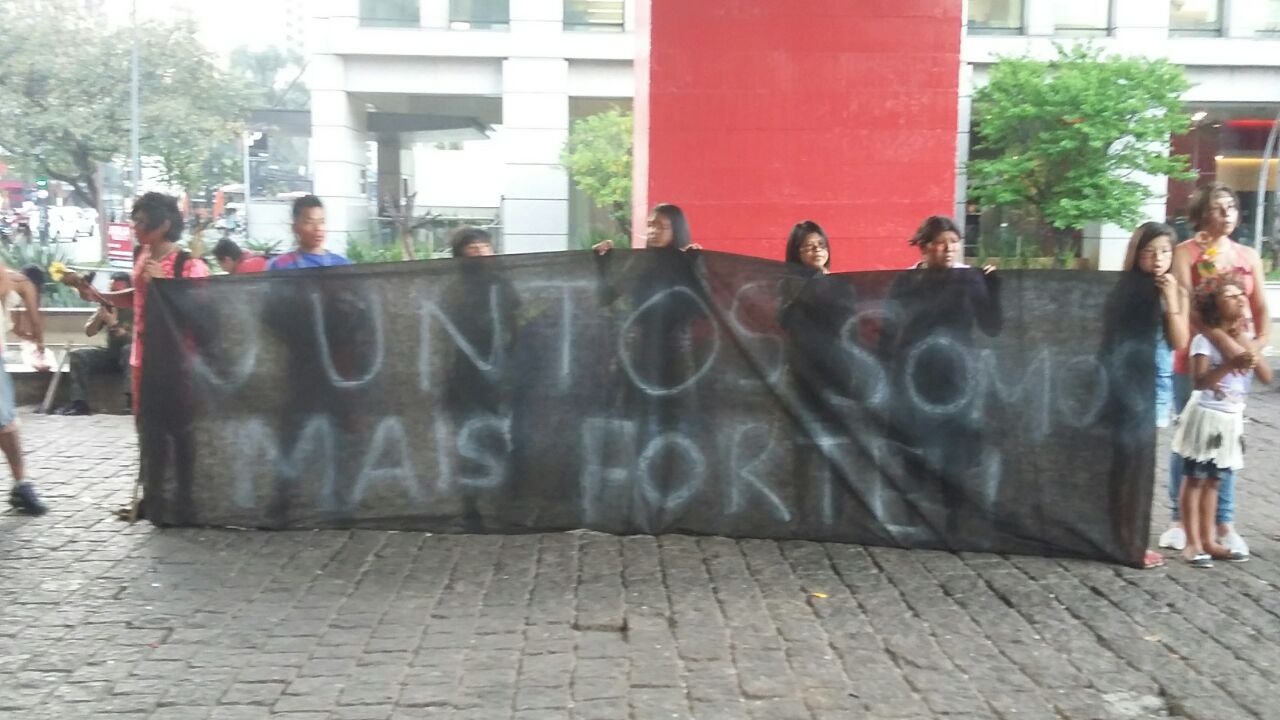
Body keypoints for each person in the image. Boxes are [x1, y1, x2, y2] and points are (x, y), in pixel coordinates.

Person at [1159, 183, 1269, 556]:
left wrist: (1253, 349)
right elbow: (1188, 304)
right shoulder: (1185, 253)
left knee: (1227, 442)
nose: (1227, 214)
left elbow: (1262, 311)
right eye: (1219, 208)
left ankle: (1223, 522)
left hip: (1239, 364)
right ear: (1201, 214)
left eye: (1233, 207)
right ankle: (1180, 520)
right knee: (1190, 439)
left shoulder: (1247, 256)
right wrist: (1225, 344)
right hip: (1198, 357)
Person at [879, 216, 1001, 547]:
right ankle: (912, 516)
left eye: (953, 242)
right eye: (940, 242)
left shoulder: (970, 280)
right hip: (913, 376)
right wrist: (886, 367)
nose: (948, 249)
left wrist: (995, 290)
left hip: (956, 378)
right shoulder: (907, 281)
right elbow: (888, 325)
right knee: (913, 444)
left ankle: (953, 519)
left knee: (954, 448)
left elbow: (991, 326)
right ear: (924, 247)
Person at [1171, 275, 1271, 567]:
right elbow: (1200, 381)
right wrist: (1229, 364)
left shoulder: (1242, 338)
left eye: (1241, 294)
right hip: (1206, 417)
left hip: (1230, 419)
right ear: (1213, 306)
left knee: (1214, 481)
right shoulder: (1203, 340)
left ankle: (1210, 539)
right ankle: (1192, 543)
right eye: (1229, 296)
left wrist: (1249, 346)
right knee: (1195, 479)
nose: (1239, 299)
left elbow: (1265, 376)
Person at [1106, 222, 1190, 568]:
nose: (1158, 259)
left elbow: (1179, 341)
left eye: (1165, 251)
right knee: (1123, 466)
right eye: (1149, 251)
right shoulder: (1121, 290)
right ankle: (1123, 538)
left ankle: (1132, 538)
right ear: (1136, 254)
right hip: (1121, 384)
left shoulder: (1176, 291)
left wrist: (1170, 300)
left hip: (1155, 388)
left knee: (1140, 466)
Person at [1, 263, 49, 514]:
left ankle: (21, 485)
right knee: (5, 424)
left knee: (5, 423)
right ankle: (21, 484)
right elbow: (34, 324)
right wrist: (38, 341)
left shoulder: (15, 283)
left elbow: (28, 327)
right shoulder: (18, 282)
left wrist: (35, 339)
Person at [61, 272, 133, 416]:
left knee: (129, 350)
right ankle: (79, 403)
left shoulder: (138, 308)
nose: (114, 295)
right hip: (112, 355)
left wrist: (114, 325)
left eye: (119, 292)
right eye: (112, 291)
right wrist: (100, 317)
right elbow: (89, 331)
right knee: (78, 355)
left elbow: (139, 340)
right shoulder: (107, 305)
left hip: (134, 357)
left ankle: (132, 402)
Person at [268, 195, 352, 270]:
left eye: (321, 222)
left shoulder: (342, 264)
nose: (318, 228)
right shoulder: (281, 264)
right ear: (295, 228)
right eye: (310, 222)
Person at [592, 203, 702, 254]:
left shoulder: (689, 261)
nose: (653, 231)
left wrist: (697, 262)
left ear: (676, 230)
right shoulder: (640, 263)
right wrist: (602, 258)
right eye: (650, 225)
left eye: (661, 226)